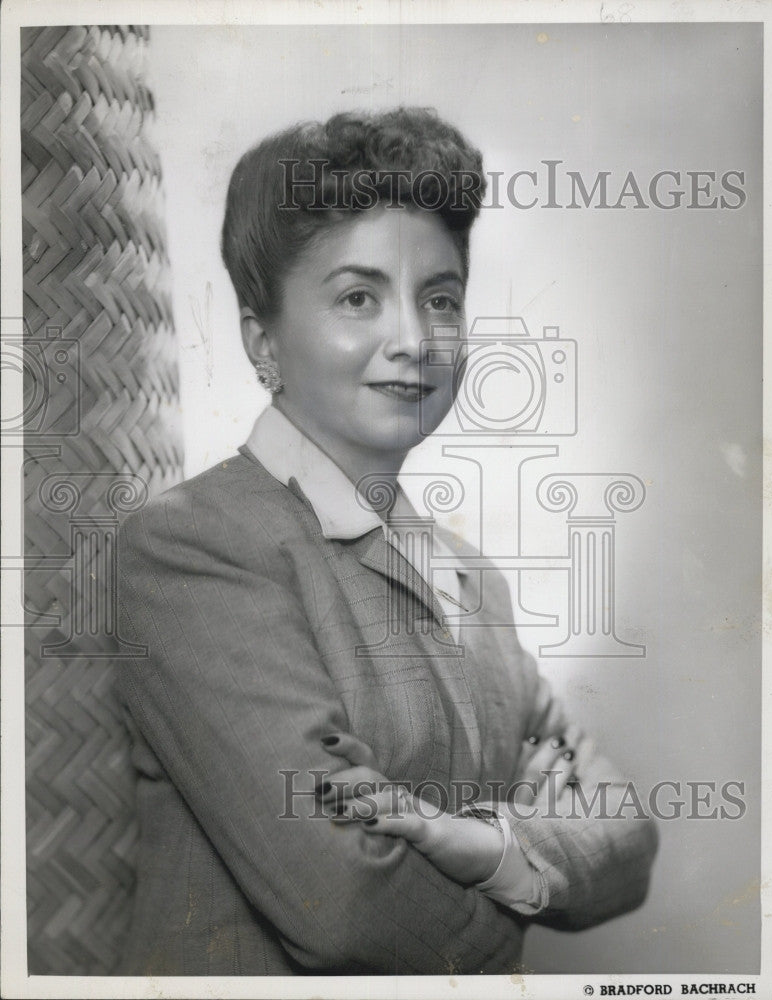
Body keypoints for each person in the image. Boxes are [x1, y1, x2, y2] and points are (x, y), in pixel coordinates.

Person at [116, 107, 658, 976]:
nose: (414, 339)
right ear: (264, 342)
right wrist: (528, 862)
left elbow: (628, 842)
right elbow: (342, 907)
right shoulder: (195, 550)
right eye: (358, 297)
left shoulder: (472, 580)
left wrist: (482, 847)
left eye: (439, 298)